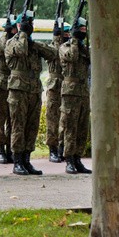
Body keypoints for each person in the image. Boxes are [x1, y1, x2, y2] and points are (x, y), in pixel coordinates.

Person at [5, 10, 57, 176]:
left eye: (31, 25)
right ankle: (17, 161)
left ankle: (27, 160)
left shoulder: (33, 45)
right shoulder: (12, 42)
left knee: (31, 126)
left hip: (34, 89)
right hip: (18, 89)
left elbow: (53, 54)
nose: (30, 27)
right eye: (27, 24)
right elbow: (20, 50)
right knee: (18, 126)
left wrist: (32, 41)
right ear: (19, 26)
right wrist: (22, 34)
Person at [59, 17, 92, 174]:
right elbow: (72, 57)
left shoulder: (83, 48)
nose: (83, 33)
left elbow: (92, 58)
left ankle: (78, 158)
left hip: (83, 92)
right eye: (81, 30)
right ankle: (69, 159)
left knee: (82, 127)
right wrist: (73, 41)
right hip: (70, 92)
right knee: (70, 126)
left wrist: (81, 44)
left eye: (85, 30)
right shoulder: (65, 47)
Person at [0, 18, 15, 164]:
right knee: (0, 118)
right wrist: (7, 35)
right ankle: (0, 149)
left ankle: (10, 149)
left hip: (14, 82)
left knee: (13, 118)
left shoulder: (18, 42)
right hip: (0, 82)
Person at [45, 22, 68, 163]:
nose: (66, 37)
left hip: (67, 86)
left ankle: (63, 146)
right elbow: (54, 53)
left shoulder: (68, 47)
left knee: (65, 119)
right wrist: (56, 38)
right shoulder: (52, 47)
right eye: (63, 34)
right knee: (53, 118)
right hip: (55, 85)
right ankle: (52, 149)